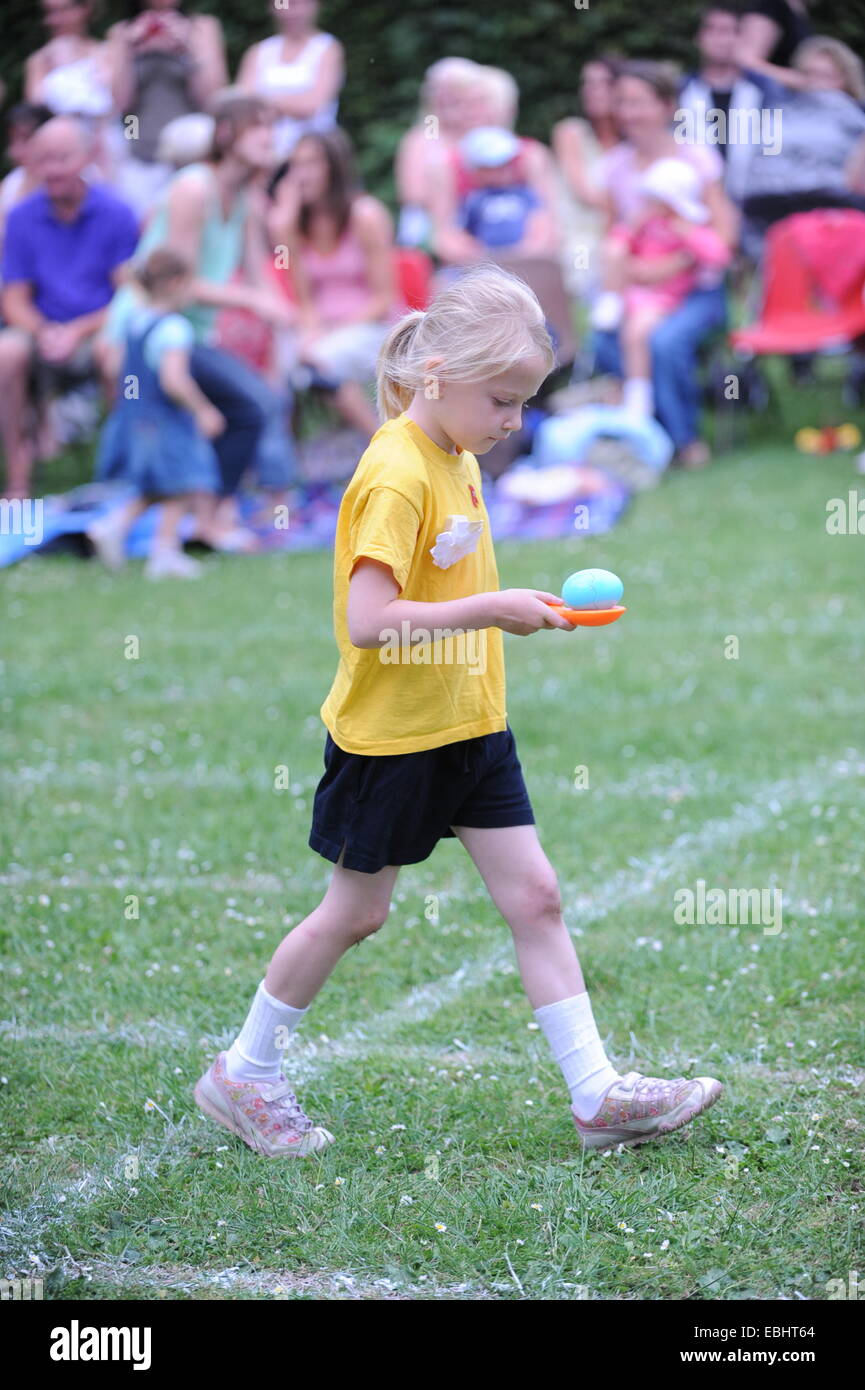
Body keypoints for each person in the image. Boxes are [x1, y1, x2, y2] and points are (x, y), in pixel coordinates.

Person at [192, 262, 724, 1159]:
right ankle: (244, 1072)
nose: (513, 421)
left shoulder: (457, 450)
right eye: (502, 399)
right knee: (355, 914)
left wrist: (517, 612)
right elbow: (368, 623)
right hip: (394, 737)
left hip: (472, 724)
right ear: (436, 373)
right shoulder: (396, 473)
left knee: (538, 898)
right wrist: (492, 608)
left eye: (523, 402)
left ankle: (596, 1097)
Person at [100, 90, 299, 549]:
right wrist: (252, 302)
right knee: (242, 407)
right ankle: (203, 521)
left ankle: (203, 519)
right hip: (149, 328)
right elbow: (179, 281)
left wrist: (285, 318)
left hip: (187, 332)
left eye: (274, 126)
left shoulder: (246, 196)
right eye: (260, 126)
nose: (272, 137)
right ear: (226, 134)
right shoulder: (193, 187)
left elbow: (257, 270)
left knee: (241, 409)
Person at [591, 61, 738, 469]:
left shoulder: (697, 159)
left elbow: (723, 234)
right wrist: (631, 271)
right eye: (621, 102)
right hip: (639, 287)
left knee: (665, 342)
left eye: (639, 102)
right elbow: (614, 236)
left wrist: (674, 264)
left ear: (667, 105)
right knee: (605, 338)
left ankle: (683, 439)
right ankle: (645, 431)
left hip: (696, 290)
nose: (628, 113)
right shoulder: (613, 167)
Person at [0, 116, 139, 500]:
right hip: (40, 333)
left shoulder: (117, 213)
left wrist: (77, 331)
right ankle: (18, 479)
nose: (52, 169)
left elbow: (128, 297)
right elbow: (13, 299)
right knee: (5, 353)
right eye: (43, 159)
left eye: (62, 158)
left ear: (88, 157)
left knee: (116, 354)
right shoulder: (21, 217)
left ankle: (121, 475)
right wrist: (44, 331)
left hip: (94, 332)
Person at [87, 247, 223, 579]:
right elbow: (173, 380)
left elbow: (119, 366)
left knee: (159, 486)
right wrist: (204, 409)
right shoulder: (174, 328)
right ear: (177, 282)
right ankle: (164, 551)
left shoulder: (135, 320)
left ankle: (113, 526)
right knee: (184, 481)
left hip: (136, 419)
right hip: (166, 420)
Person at [268, 127, 404, 440]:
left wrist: (325, 333)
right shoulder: (298, 224)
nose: (302, 174)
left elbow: (384, 298)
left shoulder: (365, 215)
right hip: (321, 328)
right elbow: (303, 298)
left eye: (312, 163)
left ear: (335, 166)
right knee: (281, 362)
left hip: (371, 325)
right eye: (296, 165)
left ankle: (380, 440)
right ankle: (283, 467)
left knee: (317, 361)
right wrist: (285, 223)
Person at [593, 158, 733, 420]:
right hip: (637, 291)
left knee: (638, 334)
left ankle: (639, 397)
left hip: (665, 297)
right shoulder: (646, 222)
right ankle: (610, 300)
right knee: (610, 335)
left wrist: (686, 237)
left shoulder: (685, 226)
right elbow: (619, 245)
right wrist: (632, 232)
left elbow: (718, 256)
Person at [740, 37, 865, 259]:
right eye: (809, 74)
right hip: (773, 211)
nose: (816, 83)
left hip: (833, 214)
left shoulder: (856, 122)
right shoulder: (778, 117)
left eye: (826, 76)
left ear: (845, 80)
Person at [107, 0, 228, 218]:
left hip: (193, 158)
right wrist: (129, 50)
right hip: (140, 159)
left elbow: (213, 100)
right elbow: (120, 104)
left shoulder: (203, 27)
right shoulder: (122, 32)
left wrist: (189, 48)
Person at [677, 5, 771, 205]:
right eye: (712, 30)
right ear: (699, 38)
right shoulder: (679, 92)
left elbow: (775, 149)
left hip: (754, 204)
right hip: (693, 205)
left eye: (728, 31)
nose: (720, 39)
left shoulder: (767, 92)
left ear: (742, 39)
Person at [237, 0, 345, 163]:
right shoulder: (259, 52)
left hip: (314, 152)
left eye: (300, 3)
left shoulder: (328, 48)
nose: (292, 11)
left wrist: (265, 102)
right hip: (264, 154)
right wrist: (293, 103)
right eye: (284, 3)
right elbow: (242, 106)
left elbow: (313, 105)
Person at [394, 56, 483, 250]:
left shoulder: (481, 135)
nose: (445, 96)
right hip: (428, 231)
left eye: (455, 90)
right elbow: (413, 193)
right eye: (438, 90)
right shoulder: (427, 133)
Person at [552, 57, 623, 297]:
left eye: (603, 83)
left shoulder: (635, 141)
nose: (593, 91)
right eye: (588, 83)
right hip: (580, 235)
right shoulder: (571, 132)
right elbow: (586, 194)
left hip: (623, 232)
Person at [25, 0, 116, 178]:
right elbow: (36, 120)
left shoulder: (108, 52)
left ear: (85, 9)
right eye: (49, 12)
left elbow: (129, 114)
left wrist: (131, 141)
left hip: (111, 153)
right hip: (63, 163)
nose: (54, 20)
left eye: (62, 11)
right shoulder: (39, 61)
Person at [456, 126, 557, 256]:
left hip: (525, 257)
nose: (503, 170)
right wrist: (477, 253)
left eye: (507, 163)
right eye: (493, 166)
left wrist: (531, 248)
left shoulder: (524, 194)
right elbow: (464, 232)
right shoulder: (474, 200)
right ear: (477, 171)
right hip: (488, 260)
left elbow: (539, 220)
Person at [0, 104, 54, 265]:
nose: (15, 151)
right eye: (13, 141)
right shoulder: (12, 182)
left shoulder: (74, 180)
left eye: (25, 140)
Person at [739, 0, 813, 87]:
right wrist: (798, 80)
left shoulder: (797, 9)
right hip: (768, 94)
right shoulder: (770, 6)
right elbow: (745, 60)